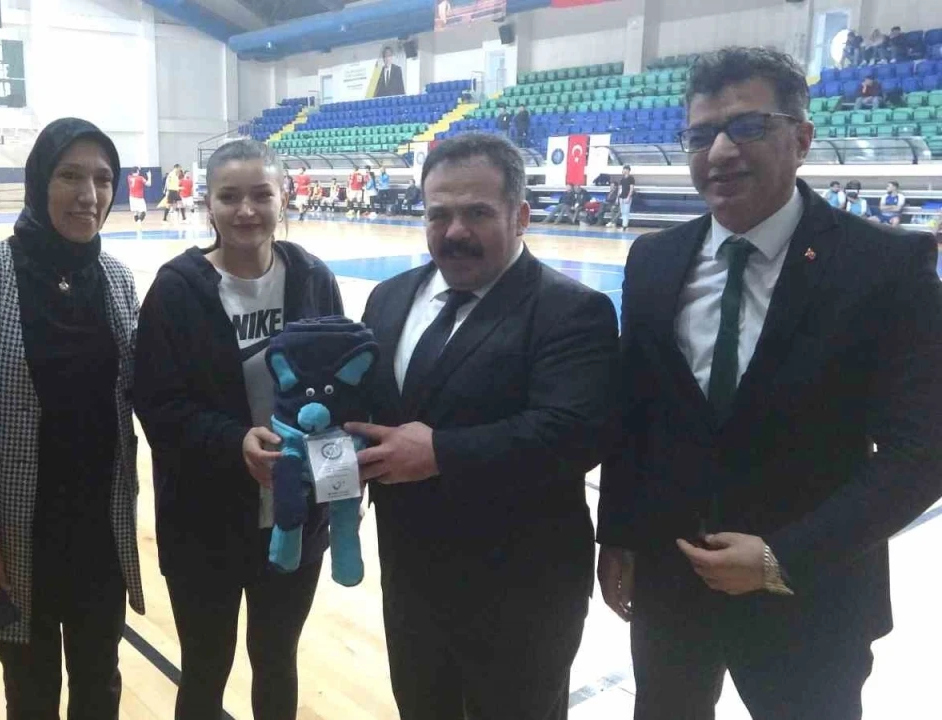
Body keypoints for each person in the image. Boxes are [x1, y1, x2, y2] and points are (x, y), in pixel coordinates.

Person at [599, 46, 942, 720]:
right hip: (670, 585)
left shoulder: (887, 266)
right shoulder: (653, 260)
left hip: (811, 594)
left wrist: (781, 557)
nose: (720, 151)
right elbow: (634, 414)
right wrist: (618, 534)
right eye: (701, 135)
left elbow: (923, 451)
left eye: (748, 126)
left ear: (802, 139)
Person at [355, 133, 617, 720]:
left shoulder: (571, 310)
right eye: (438, 214)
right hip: (410, 579)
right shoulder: (389, 298)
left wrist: (440, 452)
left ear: (520, 215)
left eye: (477, 213)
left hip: (522, 594)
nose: (454, 232)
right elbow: (373, 412)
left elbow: (571, 434)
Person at [0, 118, 145, 720]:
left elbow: (141, 392)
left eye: (103, 179)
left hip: (100, 529)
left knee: (99, 681)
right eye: (70, 176)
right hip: (15, 532)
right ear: (39, 181)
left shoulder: (117, 278)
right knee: (29, 690)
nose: (89, 195)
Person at [134, 138, 344, 720]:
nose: (246, 210)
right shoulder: (177, 289)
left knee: (276, 659)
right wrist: (234, 443)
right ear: (209, 203)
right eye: (229, 197)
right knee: (205, 667)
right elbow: (157, 404)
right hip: (205, 523)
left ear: (284, 199)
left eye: (261, 195)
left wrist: (338, 479)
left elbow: (340, 383)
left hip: (295, 518)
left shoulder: (312, 278)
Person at [617, 164, 636, 229]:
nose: (624, 170)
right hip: (621, 197)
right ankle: (624, 225)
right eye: (623, 169)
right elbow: (620, 188)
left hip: (627, 197)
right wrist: (618, 197)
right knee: (622, 212)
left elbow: (631, 189)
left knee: (626, 211)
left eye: (625, 169)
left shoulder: (631, 178)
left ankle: (624, 225)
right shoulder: (622, 179)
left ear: (628, 170)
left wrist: (628, 197)